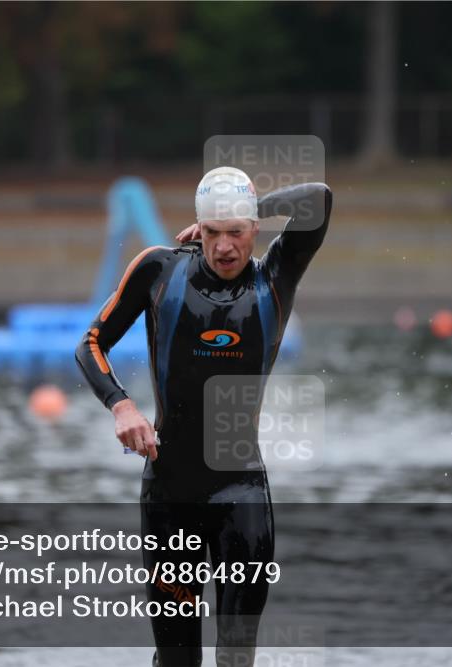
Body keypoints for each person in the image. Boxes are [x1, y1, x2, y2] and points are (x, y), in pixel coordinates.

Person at [75, 166, 332, 666]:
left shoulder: (276, 276)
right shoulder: (160, 270)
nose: (224, 247)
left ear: (255, 229)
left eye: (236, 231)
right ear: (197, 227)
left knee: (235, 657)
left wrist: (246, 206)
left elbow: (319, 198)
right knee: (178, 660)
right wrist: (121, 405)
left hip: (242, 497)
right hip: (169, 497)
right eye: (213, 232)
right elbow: (90, 345)